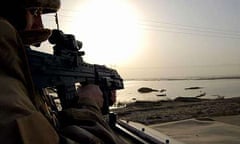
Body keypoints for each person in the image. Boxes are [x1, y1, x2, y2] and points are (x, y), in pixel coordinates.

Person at [0, 0, 127, 143]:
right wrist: (89, 103)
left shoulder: (18, 70)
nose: (40, 25)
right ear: (10, 11)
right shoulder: (7, 74)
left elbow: (46, 127)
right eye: (35, 12)